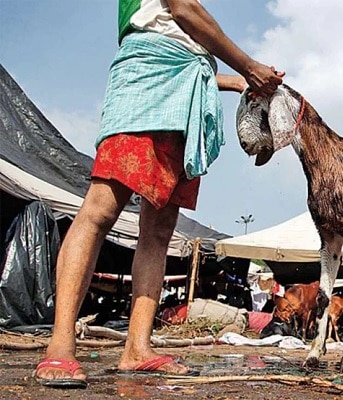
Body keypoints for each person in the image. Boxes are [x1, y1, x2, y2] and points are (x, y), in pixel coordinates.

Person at [34, 0, 284, 388]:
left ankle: (137, 348)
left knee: (160, 227)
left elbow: (188, 45)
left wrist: (236, 82)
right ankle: (60, 345)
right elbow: (182, 11)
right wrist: (248, 67)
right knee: (101, 209)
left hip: (188, 87)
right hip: (148, 74)